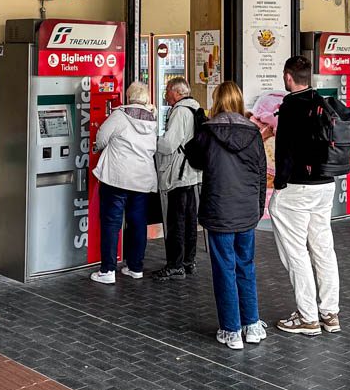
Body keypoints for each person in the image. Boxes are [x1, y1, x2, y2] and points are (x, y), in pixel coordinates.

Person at [184, 82, 267, 350]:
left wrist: (200, 126)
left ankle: (231, 330)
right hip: (246, 210)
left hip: (219, 209)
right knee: (246, 265)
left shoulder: (208, 132)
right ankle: (252, 325)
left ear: (217, 101)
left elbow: (194, 159)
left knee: (224, 268)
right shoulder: (254, 133)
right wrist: (258, 208)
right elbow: (260, 173)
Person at [270, 55, 341, 337]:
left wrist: (279, 184)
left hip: (298, 188)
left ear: (288, 77)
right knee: (323, 249)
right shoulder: (321, 102)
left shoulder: (290, 107)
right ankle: (329, 313)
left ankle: (307, 317)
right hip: (325, 185)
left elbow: (285, 150)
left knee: (296, 251)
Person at [90, 81, 158, 285]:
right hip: (142, 179)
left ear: (129, 97)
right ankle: (135, 267)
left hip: (117, 178)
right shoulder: (152, 119)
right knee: (137, 224)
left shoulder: (119, 115)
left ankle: (108, 270)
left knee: (111, 223)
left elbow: (101, 138)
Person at [153, 77, 203, 281]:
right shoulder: (195, 109)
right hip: (191, 172)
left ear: (176, 92)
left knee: (176, 221)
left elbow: (168, 145)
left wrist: (154, 140)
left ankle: (175, 264)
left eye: (167, 90)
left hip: (178, 174)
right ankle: (188, 261)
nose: (165, 94)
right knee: (190, 220)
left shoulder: (180, 112)